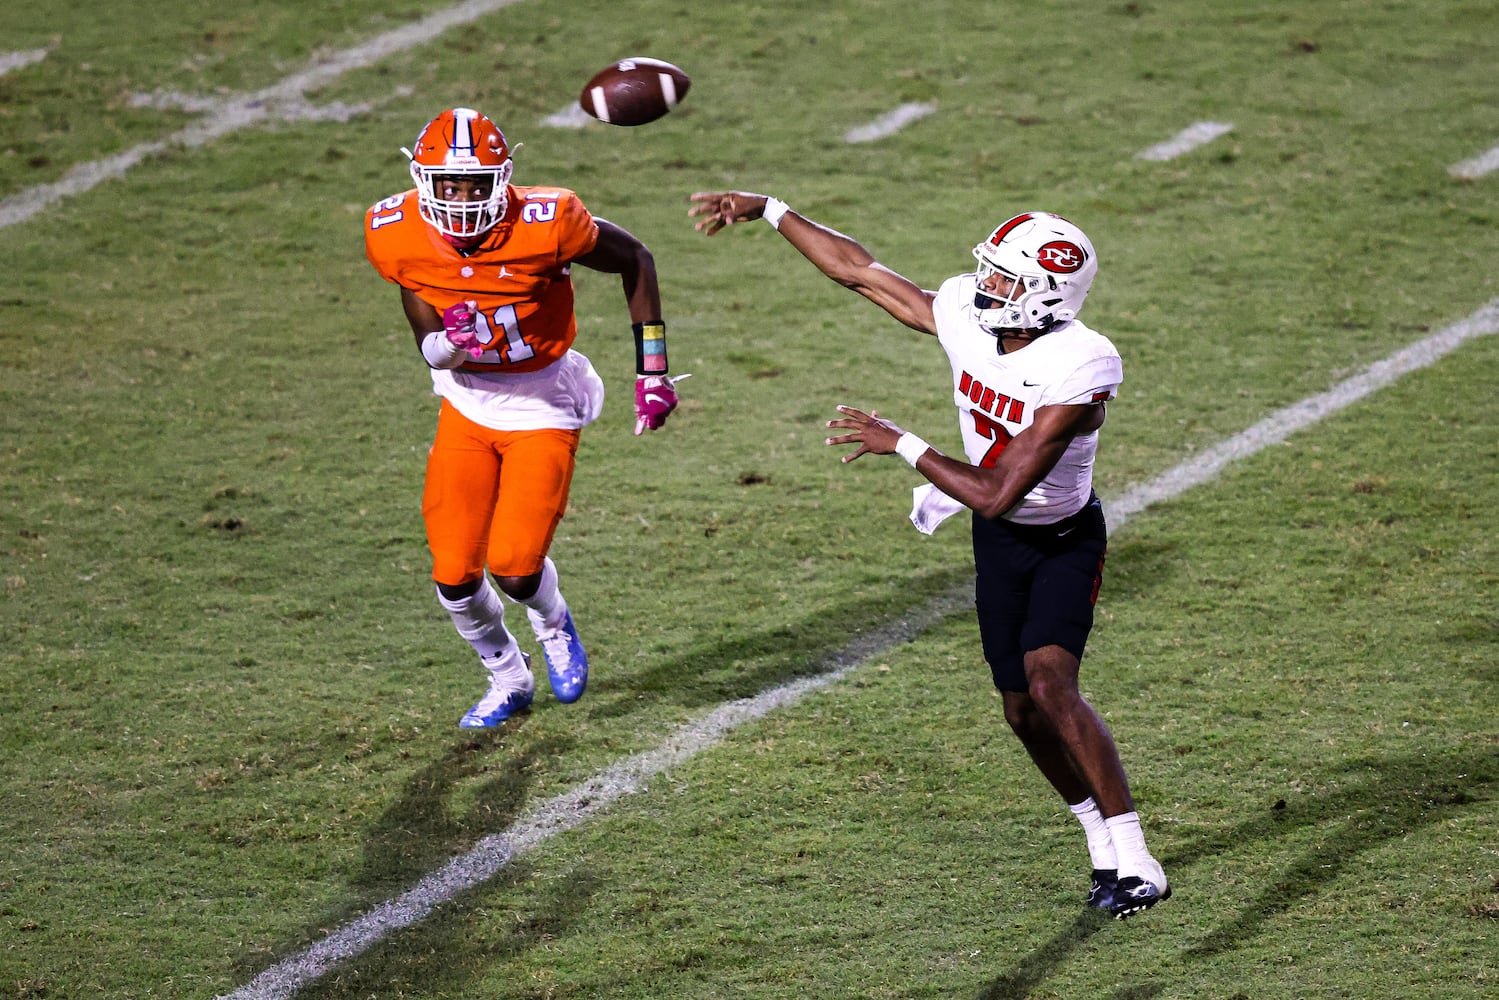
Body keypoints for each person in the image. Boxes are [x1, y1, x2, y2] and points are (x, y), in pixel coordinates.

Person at [688, 192, 1169, 918]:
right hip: (1000, 542)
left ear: (1044, 296)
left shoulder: (1079, 365)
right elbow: (859, 272)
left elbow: (999, 491)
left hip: (1062, 539)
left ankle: (1137, 859)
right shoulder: (977, 321)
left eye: (1007, 280)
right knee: (1018, 710)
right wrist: (771, 209)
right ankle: (1097, 840)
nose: (987, 288)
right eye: (992, 273)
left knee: (1049, 685)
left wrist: (903, 443)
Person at [364, 107, 682, 728]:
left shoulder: (548, 221)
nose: (461, 198)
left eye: (475, 184)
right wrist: (445, 346)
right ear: (422, 180)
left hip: (542, 399)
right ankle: (507, 678)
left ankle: (554, 623)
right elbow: (422, 319)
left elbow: (635, 258)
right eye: (448, 185)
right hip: (466, 401)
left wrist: (653, 371)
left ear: (502, 179)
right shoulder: (393, 230)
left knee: (514, 566)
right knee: (454, 573)